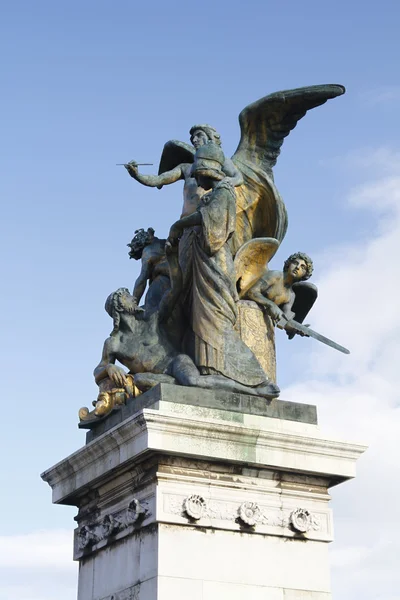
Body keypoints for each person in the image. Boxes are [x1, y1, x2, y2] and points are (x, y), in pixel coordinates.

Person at [167, 142, 277, 392]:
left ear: (209, 172)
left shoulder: (225, 192)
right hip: (204, 263)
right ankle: (211, 369)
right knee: (202, 317)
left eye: (198, 174)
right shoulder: (216, 193)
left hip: (215, 264)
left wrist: (179, 226)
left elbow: (213, 226)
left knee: (215, 318)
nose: (196, 178)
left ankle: (255, 378)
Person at [124, 124, 243, 218]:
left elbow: (238, 178)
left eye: (199, 135)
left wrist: (225, 183)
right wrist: (137, 175)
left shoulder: (221, 161)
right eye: (192, 138)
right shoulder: (185, 168)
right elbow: (159, 179)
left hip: (212, 217)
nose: (195, 140)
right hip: (187, 221)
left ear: (210, 137)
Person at [244, 252, 315, 336]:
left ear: (305, 275)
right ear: (288, 264)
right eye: (295, 263)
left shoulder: (291, 296)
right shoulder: (275, 276)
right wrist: (271, 305)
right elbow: (252, 292)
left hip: (264, 324)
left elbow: (283, 320)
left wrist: (297, 329)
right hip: (248, 311)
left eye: (303, 268)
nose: (297, 267)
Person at [127, 228, 170, 313]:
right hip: (179, 278)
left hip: (165, 282)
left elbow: (142, 279)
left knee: (150, 308)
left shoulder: (148, 251)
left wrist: (133, 303)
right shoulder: (166, 242)